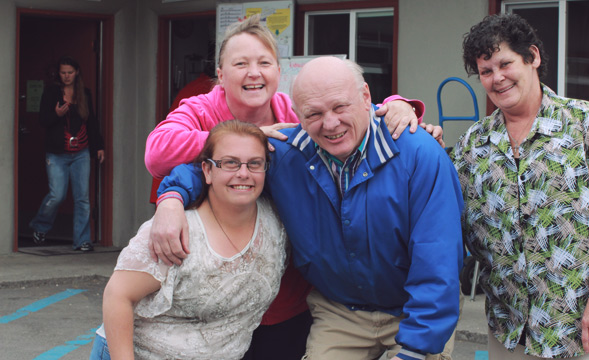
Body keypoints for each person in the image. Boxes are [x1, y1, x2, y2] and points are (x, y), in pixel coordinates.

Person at [145, 14, 439, 360]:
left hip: (287, 291)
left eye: (264, 62)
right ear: (221, 76)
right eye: (240, 63)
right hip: (216, 292)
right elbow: (162, 152)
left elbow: (347, 114)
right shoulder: (201, 109)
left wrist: (401, 108)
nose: (253, 72)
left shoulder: (290, 113)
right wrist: (172, 196)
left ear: (277, 72)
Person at [451, 13, 589, 359]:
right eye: (486, 71)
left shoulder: (585, 123)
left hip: (582, 325)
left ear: (533, 57)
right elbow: (451, 217)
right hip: (509, 327)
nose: (498, 78)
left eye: (505, 63)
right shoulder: (472, 145)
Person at [90, 120, 288, 360]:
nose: (243, 173)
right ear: (207, 171)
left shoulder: (275, 222)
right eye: (230, 163)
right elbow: (118, 295)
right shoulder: (175, 229)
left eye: (254, 164)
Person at [30, 56, 105, 252]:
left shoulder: (84, 94)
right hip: (57, 153)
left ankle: (82, 242)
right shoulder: (51, 92)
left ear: (77, 72)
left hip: (81, 152)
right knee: (57, 195)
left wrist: (98, 146)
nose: (66, 76)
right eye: (63, 73)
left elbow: (92, 122)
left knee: (82, 198)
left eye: (70, 72)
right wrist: (57, 114)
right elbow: (43, 121)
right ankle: (40, 226)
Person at [148, 60, 216, 204]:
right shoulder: (204, 93)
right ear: (220, 75)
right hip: (174, 178)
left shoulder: (194, 87)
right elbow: (159, 150)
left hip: (173, 179)